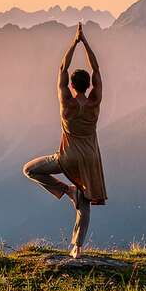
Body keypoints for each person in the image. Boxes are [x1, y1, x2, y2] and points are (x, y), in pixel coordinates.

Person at [22, 22, 107, 258]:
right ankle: (77, 248)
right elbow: (97, 71)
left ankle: (66, 190)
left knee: (30, 169)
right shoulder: (94, 103)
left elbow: (62, 68)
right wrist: (87, 44)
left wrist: (74, 42)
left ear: (71, 85)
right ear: (89, 86)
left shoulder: (67, 104)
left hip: (67, 158)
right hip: (90, 159)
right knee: (85, 201)